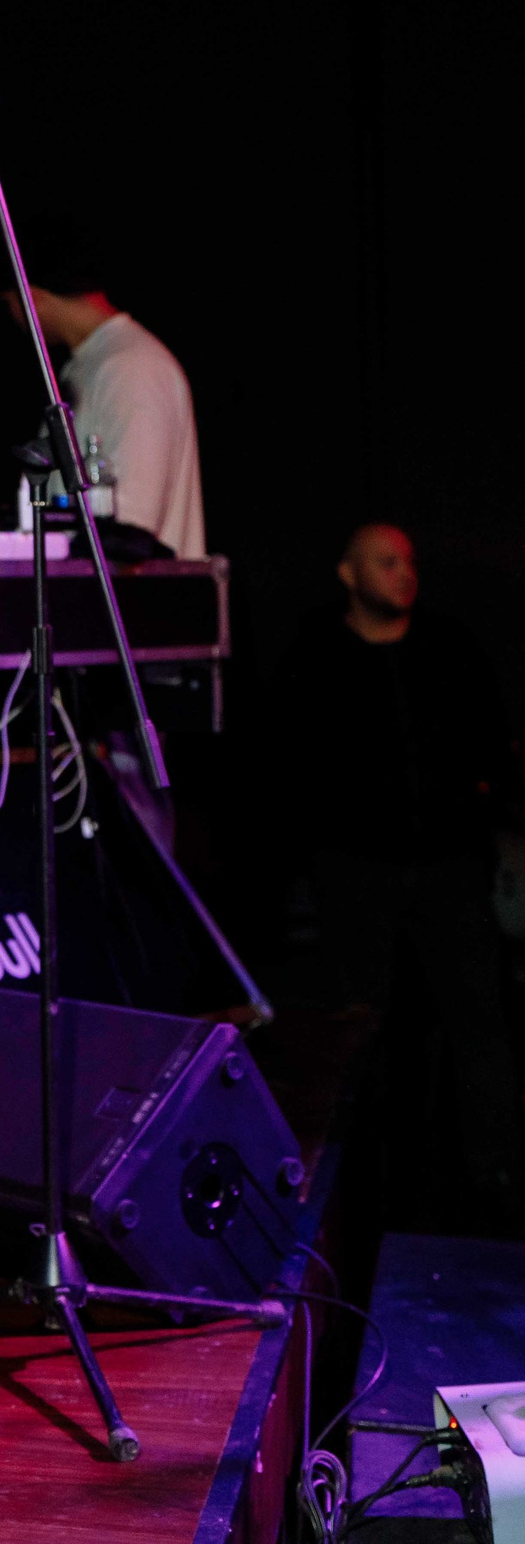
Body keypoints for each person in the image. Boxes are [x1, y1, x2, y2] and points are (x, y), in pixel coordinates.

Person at [269, 522, 521, 1226]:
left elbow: (490, 743)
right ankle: (358, 1187)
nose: (404, 573)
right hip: (357, 872)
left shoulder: (448, 648)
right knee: (359, 1027)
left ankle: (495, 1177)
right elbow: (289, 760)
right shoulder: (317, 657)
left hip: (449, 867)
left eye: (408, 560)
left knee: (477, 1018)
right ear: (349, 574)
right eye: (386, 562)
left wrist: (483, 809)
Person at [2, 242, 205, 556]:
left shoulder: (133, 365)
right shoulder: (89, 364)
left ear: (33, 297)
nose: (13, 318)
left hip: (128, 588)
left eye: (9, 304)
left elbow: (130, 527)